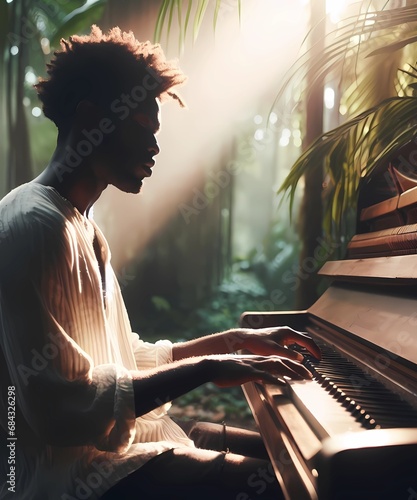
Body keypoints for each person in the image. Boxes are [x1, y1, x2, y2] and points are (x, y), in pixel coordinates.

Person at [0, 26, 320, 499]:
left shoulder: (83, 226)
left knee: (309, 462)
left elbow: (121, 359)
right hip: (68, 481)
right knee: (291, 486)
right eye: (142, 130)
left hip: (110, 457)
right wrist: (207, 368)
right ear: (91, 121)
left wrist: (227, 343)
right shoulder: (34, 225)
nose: (155, 148)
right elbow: (59, 410)